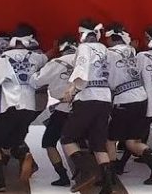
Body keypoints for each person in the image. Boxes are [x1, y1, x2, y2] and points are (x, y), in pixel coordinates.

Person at [0, 25, 47, 192]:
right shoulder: (36, 57)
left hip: (8, 105)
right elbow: (47, 58)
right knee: (13, 140)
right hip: (29, 107)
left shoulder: (6, 57)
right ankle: (24, 155)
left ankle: (0, 182)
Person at [105, 24, 152, 185]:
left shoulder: (108, 53)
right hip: (141, 98)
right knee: (133, 141)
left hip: (124, 100)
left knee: (110, 139)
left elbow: (109, 79)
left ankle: (110, 176)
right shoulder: (131, 50)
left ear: (111, 38)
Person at [61, 20, 116, 193]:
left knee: (68, 138)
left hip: (88, 97)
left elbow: (81, 71)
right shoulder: (104, 49)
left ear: (82, 34)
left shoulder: (84, 48)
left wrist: (71, 90)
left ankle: (85, 173)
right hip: (105, 97)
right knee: (98, 143)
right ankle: (107, 186)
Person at [32, 34, 78, 186]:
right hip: (86, 106)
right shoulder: (85, 61)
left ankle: (63, 176)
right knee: (82, 141)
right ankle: (86, 170)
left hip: (63, 108)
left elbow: (36, 81)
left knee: (49, 142)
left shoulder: (56, 62)